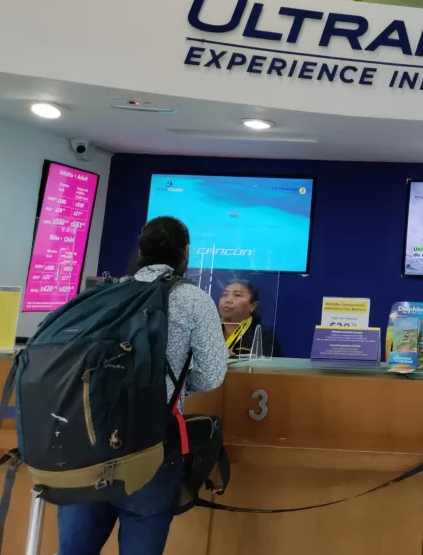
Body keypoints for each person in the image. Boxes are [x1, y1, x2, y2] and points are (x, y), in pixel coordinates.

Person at [57, 216, 228, 555]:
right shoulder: (193, 300)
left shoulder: (104, 293)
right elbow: (212, 374)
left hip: (86, 444)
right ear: (186, 252)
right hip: (150, 447)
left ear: (140, 251)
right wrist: (175, 387)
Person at [218, 279, 282, 357]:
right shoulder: (206, 329)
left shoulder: (263, 338)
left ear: (253, 305)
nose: (227, 300)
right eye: (225, 295)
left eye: (237, 295)